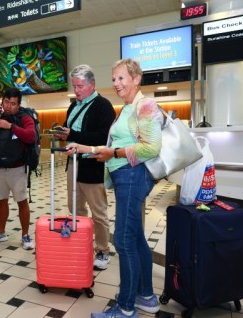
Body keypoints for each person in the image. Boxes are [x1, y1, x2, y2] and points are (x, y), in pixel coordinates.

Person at [68, 59, 163, 318]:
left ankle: (125, 307)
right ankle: (147, 297)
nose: (116, 84)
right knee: (137, 239)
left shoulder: (145, 105)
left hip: (133, 176)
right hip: (124, 176)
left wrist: (115, 152)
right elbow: (113, 144)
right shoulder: (128, 108)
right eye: (114, 79)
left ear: (136, 79)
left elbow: (151, 148)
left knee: (123, 240)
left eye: (121, 78)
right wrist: (88, 148)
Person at [53, 64, 116, 270]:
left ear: (92, 84)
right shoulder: (74, 106)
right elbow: (70, 129)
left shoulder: (103, 106)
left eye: (80, 86)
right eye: (74, 86)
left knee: (98, 212)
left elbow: (102, 137)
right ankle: (81, 243)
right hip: (74, 164)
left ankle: (102, 250)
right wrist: (62, 134)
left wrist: (71, 135)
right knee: (76, 209)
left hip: (93, 165)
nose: (77, 90)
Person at [0, 87, 36, 250]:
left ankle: (25, 235)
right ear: (2, 102)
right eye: (6, 102)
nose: (9, 106)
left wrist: (10, 126)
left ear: (19, 104)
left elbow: (31, 136)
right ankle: (1, 232)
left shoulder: (24, 118)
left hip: (17, 169)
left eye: (13, 104)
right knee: (2, 201)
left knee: (22, 202)